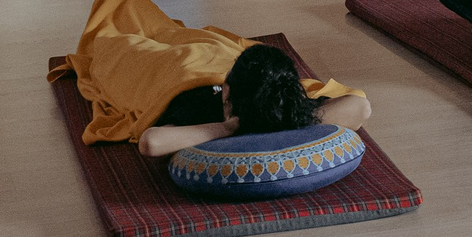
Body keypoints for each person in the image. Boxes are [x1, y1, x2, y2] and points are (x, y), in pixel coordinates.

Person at [50, 0, 371, 151]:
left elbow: (151, 143)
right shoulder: (288, 107)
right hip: (203, 57)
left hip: (166, 74)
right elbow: (361, 105)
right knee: (177, 34)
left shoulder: (198, 109)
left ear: (228, 93)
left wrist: (232, 128)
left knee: (119, 17)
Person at [139, 42, 373, 159]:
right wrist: (228, 127)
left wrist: (284, 122)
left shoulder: (279, 103)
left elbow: (361, 107)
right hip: (185, 63)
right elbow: (150, 142)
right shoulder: (199, 102)